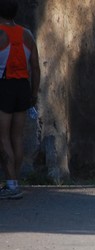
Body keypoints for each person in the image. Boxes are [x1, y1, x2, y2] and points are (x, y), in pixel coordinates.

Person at [0, 0, 40, 200]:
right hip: (23, 87)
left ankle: (11, 184)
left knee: (3, 137)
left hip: (4, 86)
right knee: (17, 137)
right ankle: (13, 182)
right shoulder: (27, 34)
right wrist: (34, 94)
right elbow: (36, 67)